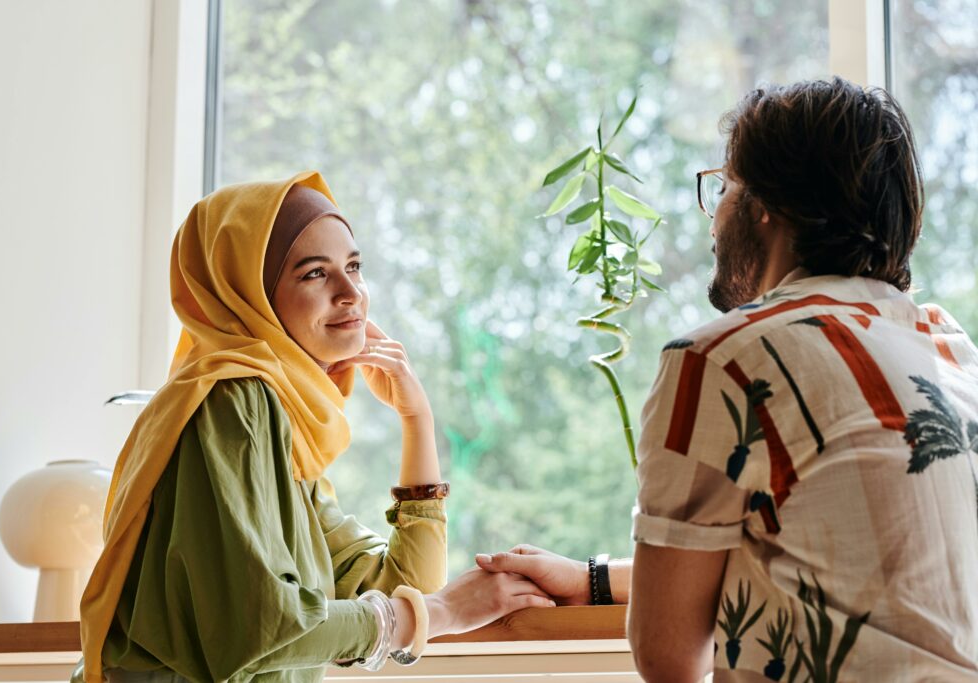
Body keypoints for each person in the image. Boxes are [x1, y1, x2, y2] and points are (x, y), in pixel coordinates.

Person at [478, 77, 978, 681]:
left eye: (723, 186)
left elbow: (670, 658)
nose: (713, 218)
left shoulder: (724, 358)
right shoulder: (946, 350)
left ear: (766, 203)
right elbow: (832, 562)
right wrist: (593, 580)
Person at [75, 172, 555, 683]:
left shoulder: (282, 426)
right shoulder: (229, 401)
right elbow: (265, 629)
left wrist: (417, 420)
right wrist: (440, 614)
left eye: (353, 266)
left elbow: (403, 582)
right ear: (249, 297)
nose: (351, 293)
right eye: (314, 274)